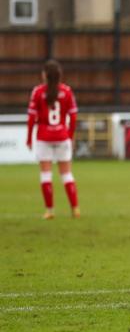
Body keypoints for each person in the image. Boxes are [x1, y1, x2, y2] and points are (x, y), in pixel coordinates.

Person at [27, 59, 79, 220]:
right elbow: (73, 116)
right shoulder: (67, 91)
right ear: (59, 75)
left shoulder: (37, 92)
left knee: (46, 175)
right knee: (67, 175)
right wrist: (69, 135)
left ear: (44, 75)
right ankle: (75, 209)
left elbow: (31, 117)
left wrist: (29, 137)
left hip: (44, 137)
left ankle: (49, 211)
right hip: (62, 136)